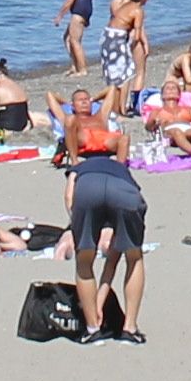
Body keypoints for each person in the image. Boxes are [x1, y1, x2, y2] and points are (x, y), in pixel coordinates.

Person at [61, 96, 150, 340]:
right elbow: (113, 260)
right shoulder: (122, 169)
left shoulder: (78, 168)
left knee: (84, 259)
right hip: (125, 192)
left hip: (87, 189)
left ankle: (92, 328)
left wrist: (75, 223)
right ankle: (130, 327)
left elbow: (70, 196)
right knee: (134, 256)